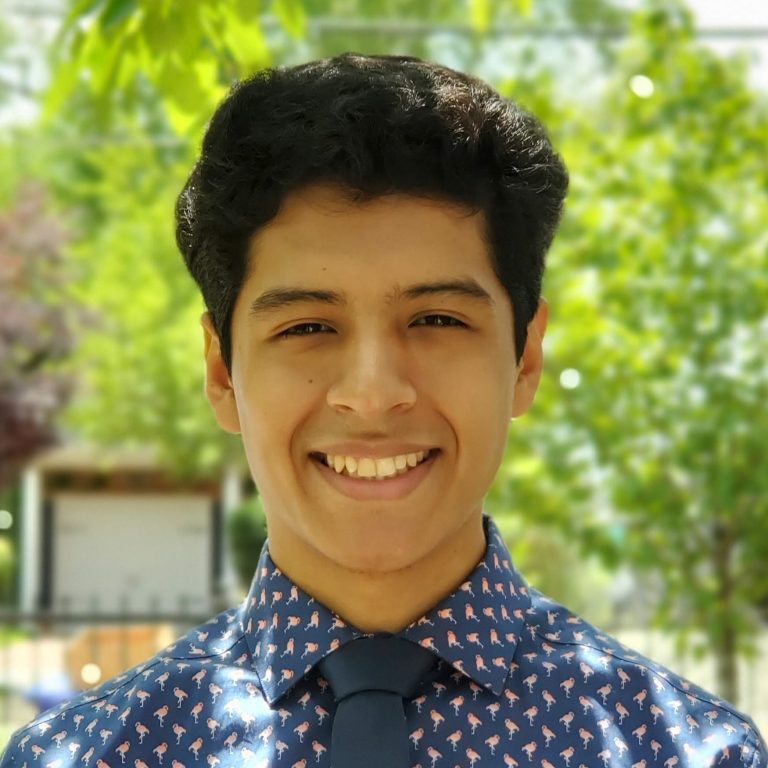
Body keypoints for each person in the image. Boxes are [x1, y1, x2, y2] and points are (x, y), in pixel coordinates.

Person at [2, 53, 765, 768]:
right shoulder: (81, 755)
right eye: (307, 327)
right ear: (222, 372)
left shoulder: (686, 751)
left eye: (436, 320)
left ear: (526, 358)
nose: (372, 394)